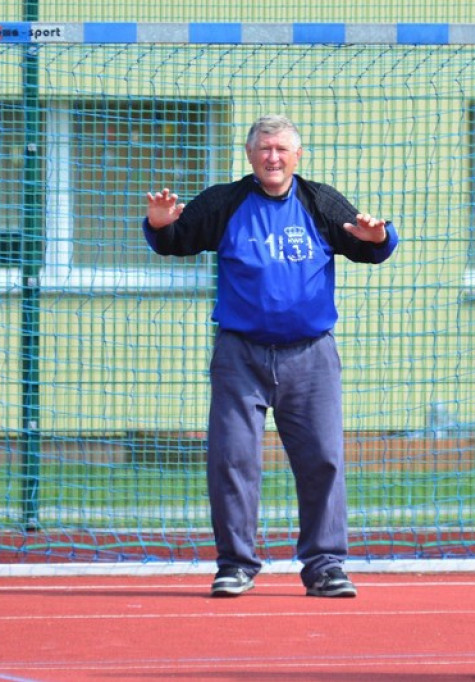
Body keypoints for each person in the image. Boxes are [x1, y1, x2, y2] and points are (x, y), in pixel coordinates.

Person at [143, 114, 398, 598]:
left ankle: (325, 565)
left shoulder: (320, 201)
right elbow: (175, 241)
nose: (273, 157)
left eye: (282, 149)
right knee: (233, 459)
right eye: (264, 148)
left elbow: (369, 244)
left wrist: (379, 239)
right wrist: (158, 224)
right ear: (250, 155)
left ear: (297, 156)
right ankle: (236, 564)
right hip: (240, 355)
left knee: (323, 458)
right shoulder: (225, 202)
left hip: (311, 355)